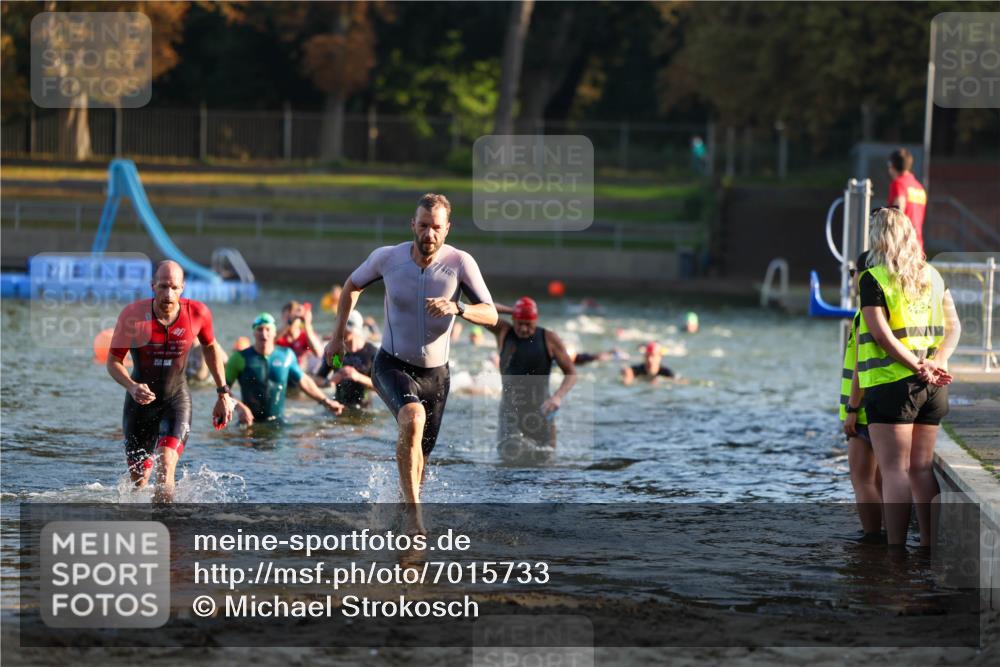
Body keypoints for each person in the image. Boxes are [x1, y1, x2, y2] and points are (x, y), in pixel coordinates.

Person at [325, 193, 497, 533]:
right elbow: (352, 285)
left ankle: (403, 508)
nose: (428, 235)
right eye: (422, 226)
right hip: (391, 364)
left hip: (437, 377)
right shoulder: (388, 258)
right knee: (412, 420)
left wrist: (458, 308)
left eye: (436, 228)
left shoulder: (461, 263)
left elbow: (490, 314)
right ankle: (413, 521)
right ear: (412, 226)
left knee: (422, 459)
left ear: (447, 229)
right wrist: (338, 335)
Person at [857, 208, 960, 547]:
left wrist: (919, 366)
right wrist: (937, 363)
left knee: (894, 470)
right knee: (921, 469)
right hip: (933, 388)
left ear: (877, 238)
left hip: (892, 385)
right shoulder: (933, 275)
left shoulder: (873, 278)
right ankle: (930, 546)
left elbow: (883, 337)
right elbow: (954, 327)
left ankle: (896, 552)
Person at [107, 260, 233, 503]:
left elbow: (210, 348)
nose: (168, 294)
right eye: (163, 287)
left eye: (173, 287)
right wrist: (131, 386)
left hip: (176, 400)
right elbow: (113, 362)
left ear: (182, 288)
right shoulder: (132, 316)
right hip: (139, 403)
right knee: (139, 481)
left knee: (166, 465)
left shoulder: (197, 313)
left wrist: (223, 393)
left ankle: (166, 531)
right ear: (152, 286)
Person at [486, 297, 577, 457]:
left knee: (545, 463)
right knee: (507, 465)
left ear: (536, 320)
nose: (523, 328)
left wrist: (557, 397)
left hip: (542, 411)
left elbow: (571, 373)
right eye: (519, 323)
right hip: (510, 413)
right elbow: (482, 309)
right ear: (513, 319)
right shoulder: (503, 331)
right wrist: (511, 310)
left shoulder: (549, 338)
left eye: (529, 324)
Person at [226, 313, 343, 425]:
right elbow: (223, 390)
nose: (264, 333)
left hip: (278, 422)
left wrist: (325, 401)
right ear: (254, 332)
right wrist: (239, 407)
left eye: (267, 329)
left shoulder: (285, 355)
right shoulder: (239, 358)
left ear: (274, 332)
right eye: (259, 329)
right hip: (249, 422)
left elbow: (304, 381)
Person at [842, 254, 883, 542]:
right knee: (882, 479)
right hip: (883, 406)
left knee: (861, 478)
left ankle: (872, 537)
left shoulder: (863, 317)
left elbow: (860, 367)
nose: (851, 278)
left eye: (854, 271)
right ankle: (888, 533)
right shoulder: (886, 311)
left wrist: (852, 408)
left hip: (864, 411)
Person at [314, 310, 378, 410]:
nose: (341, 334)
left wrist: (357, 377)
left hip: (364, 410)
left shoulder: (371, 352)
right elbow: (317, 380)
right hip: (339, 407)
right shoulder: (335, 351)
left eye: (345, 331)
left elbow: (381, 387)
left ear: (355, 330)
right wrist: (330, 382)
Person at [887, 148, 927, 249]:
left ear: (892, 165)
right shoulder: (919, 187)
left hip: (902, 246)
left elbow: (898, 211)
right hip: (917, 246)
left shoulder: (898, 183)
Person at [276, 300, 324, 373]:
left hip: (304, 370)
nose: (291, 321)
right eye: (287, 318)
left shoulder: (305, 334)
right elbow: (270, 342)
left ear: (300, 319)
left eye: (294, 318)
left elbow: (318, 353)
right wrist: (290, 321)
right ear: (282, 318)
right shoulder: (278, 336)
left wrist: (307, 324)